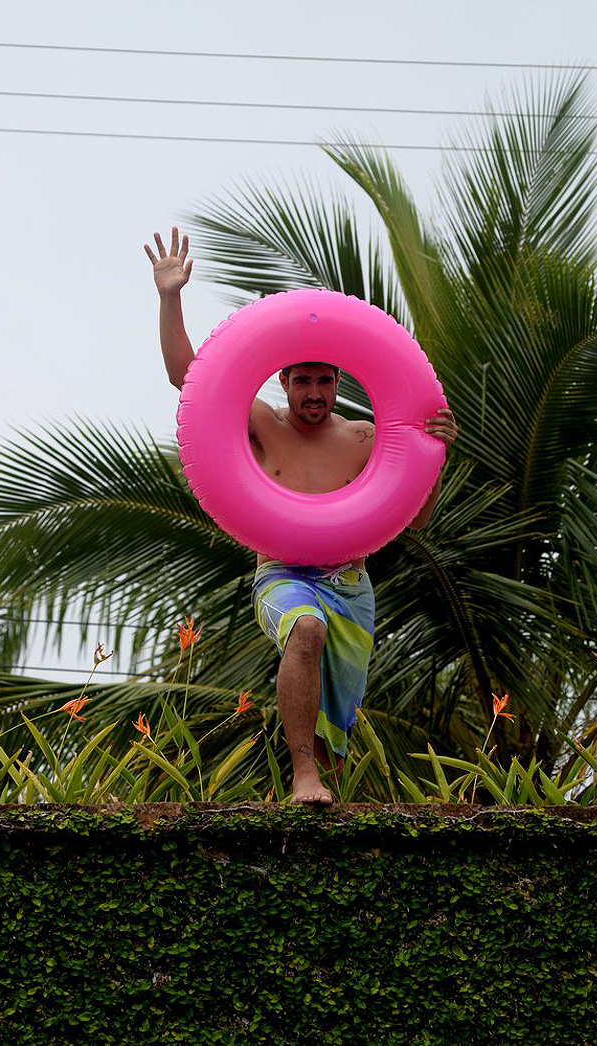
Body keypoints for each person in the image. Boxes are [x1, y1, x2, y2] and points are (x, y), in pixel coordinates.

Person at [145, 228, 458, 805]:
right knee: (305, 629)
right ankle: (301, 776)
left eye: (324, 380)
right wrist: (171, 297)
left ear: (339, 380)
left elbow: (416, 525)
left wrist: (431, 456)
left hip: (351, 585)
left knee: (337, 726)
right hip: (284, 575)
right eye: (303, 381)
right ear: (282, 381)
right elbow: (185, 377)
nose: (314, 392)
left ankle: (319, 787)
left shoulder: (367, 437)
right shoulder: (264, 426)